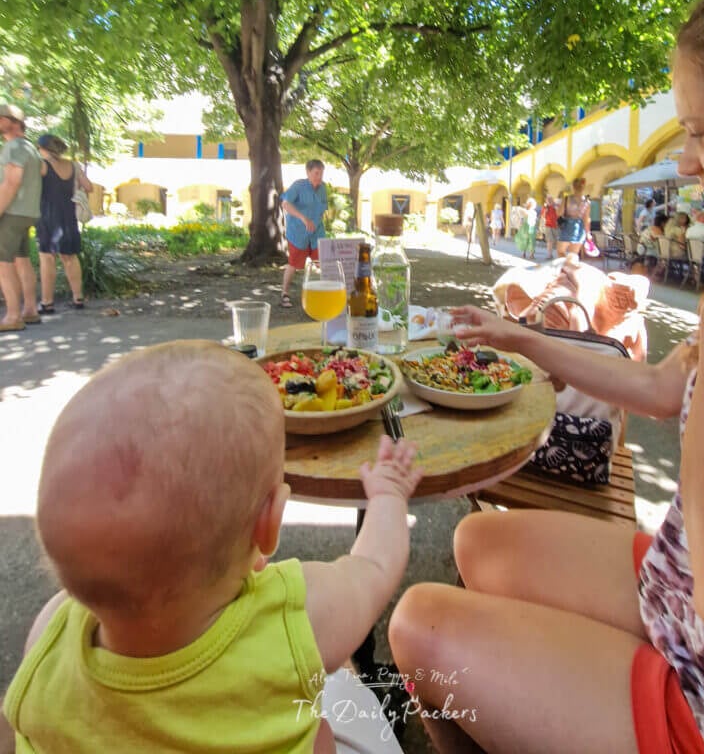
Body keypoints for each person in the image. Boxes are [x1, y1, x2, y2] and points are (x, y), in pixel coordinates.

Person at [388, 0, 704, 754]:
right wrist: (522, 339)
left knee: (418, 623)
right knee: (474, 543)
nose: (688, 164)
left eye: (701, 133)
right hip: (680, 590)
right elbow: (667, 388)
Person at [1, 340, 421, 752]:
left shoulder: (48, 639)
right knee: (341, 712)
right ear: (269, 526)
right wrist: (388, 494)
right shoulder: (297, 621)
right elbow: (373, 565)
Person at [36, 134, 93, 313]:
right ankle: (78, 298)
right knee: (70, 258)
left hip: (47, 217)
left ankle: (47, 302)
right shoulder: (73, 165)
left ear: (44, 148)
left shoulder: (42, 165)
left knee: (47, 258)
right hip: (68, 218)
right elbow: (89, 186)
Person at [0, 103, 42, 332]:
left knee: (2, 264)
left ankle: (13, 317)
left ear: (14, 123)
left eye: (1, 118)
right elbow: (42, 172)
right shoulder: (31, 148)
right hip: (28, 212)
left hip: (12, 213)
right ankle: (30, 311)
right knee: (22, 260)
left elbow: (12, 182)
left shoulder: (14, 147)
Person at [280, 159, 328, 307]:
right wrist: (303, 218)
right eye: (316, 173)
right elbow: (285, 204)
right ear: (308, 172)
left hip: (317, 232)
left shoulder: (323, 188)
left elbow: (323, 207)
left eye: (321, 173)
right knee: (294, 264)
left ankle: (327, 295)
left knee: (324, 263)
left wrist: (316, 221)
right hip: (298, 232)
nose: (319, 177)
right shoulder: (298, 186)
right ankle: (284, 293)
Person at [556, 177, 590, 256]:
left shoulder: (567, 199)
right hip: (580, 228)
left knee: (561, 251)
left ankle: (563, 267)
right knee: (573, 255)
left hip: (567, 226)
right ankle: (571, 266)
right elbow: (587, 219)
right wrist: (588, 233)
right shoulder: (586, 202)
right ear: (583, 187)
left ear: (573, 187)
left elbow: (559, 213)